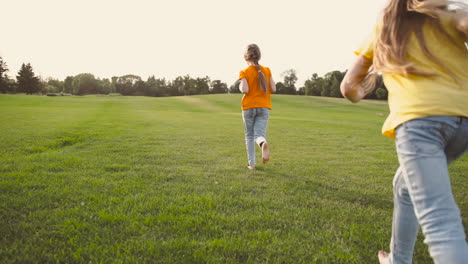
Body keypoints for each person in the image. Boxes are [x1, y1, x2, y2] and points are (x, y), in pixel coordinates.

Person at [340, 0, 468, 263]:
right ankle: (398, 259)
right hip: (463, 122)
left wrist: (362, 91)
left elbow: (349, 86)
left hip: (419, 123)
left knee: (441, 223)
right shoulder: (449, 16)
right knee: (403, 185)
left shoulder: (385, 26)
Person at [238, 44, 277, 170]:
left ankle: (252, 164)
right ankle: (262, 143)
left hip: (249, 107)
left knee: (249, 136)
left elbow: (245, 89)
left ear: (246, 57)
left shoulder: (244, 72)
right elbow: (274, 88)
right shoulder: (267, 70)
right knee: (258, 134)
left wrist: (240, 85)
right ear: (259, 56)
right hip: (264, 106)